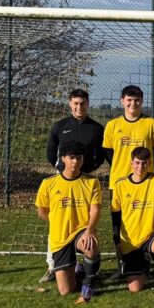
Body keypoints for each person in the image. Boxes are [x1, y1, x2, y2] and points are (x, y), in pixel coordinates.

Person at [40, 88, 105, 284]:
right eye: (75, 103)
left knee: (85, 219)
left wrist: (89, 169)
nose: (79, 107)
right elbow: (51, 152)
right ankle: (52, 266)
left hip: (84, 181)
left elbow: (101, 154)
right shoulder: (59, 126)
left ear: (88, 104)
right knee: (57, 224)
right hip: (63, 179)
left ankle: (89, 266)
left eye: (82, 103)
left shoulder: (96, 128)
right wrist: (62, 170)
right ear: (70, 104)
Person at [103, 84, 154, 272]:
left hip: (145, 184)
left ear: (142, 101)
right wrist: (123, 169)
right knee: (118, 227)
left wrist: (146, 171)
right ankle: (122, 265)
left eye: (137, 100)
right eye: (129, 100)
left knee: (146, 224)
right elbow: (108, 153)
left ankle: (145, 260)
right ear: (122, 101)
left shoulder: (151, 124)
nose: (133, 104)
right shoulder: (113, 125)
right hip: (119, 184)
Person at [34, 141, 102, 302]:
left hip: (82, 231)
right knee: (65, 290)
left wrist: (89, 231)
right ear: (63, 158)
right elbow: (42, 211)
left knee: (90, 245)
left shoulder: (91, 182)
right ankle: (79, 270)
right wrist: (57, 221)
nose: (75, 161)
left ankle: (89, 284)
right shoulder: (48, 183)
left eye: (79, 158)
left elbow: (95, 210)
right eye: (71, 157)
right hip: (60, 237)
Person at [110, 147, 154, 299]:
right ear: (131, 163)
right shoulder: (120, 185)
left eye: (144, 163)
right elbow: (115, 216)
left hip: (151, 236)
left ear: (149, 163)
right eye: (137, 163)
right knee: (135, 288)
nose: (141, 167)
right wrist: (116, 240)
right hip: (130, 242)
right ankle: (144, 264)